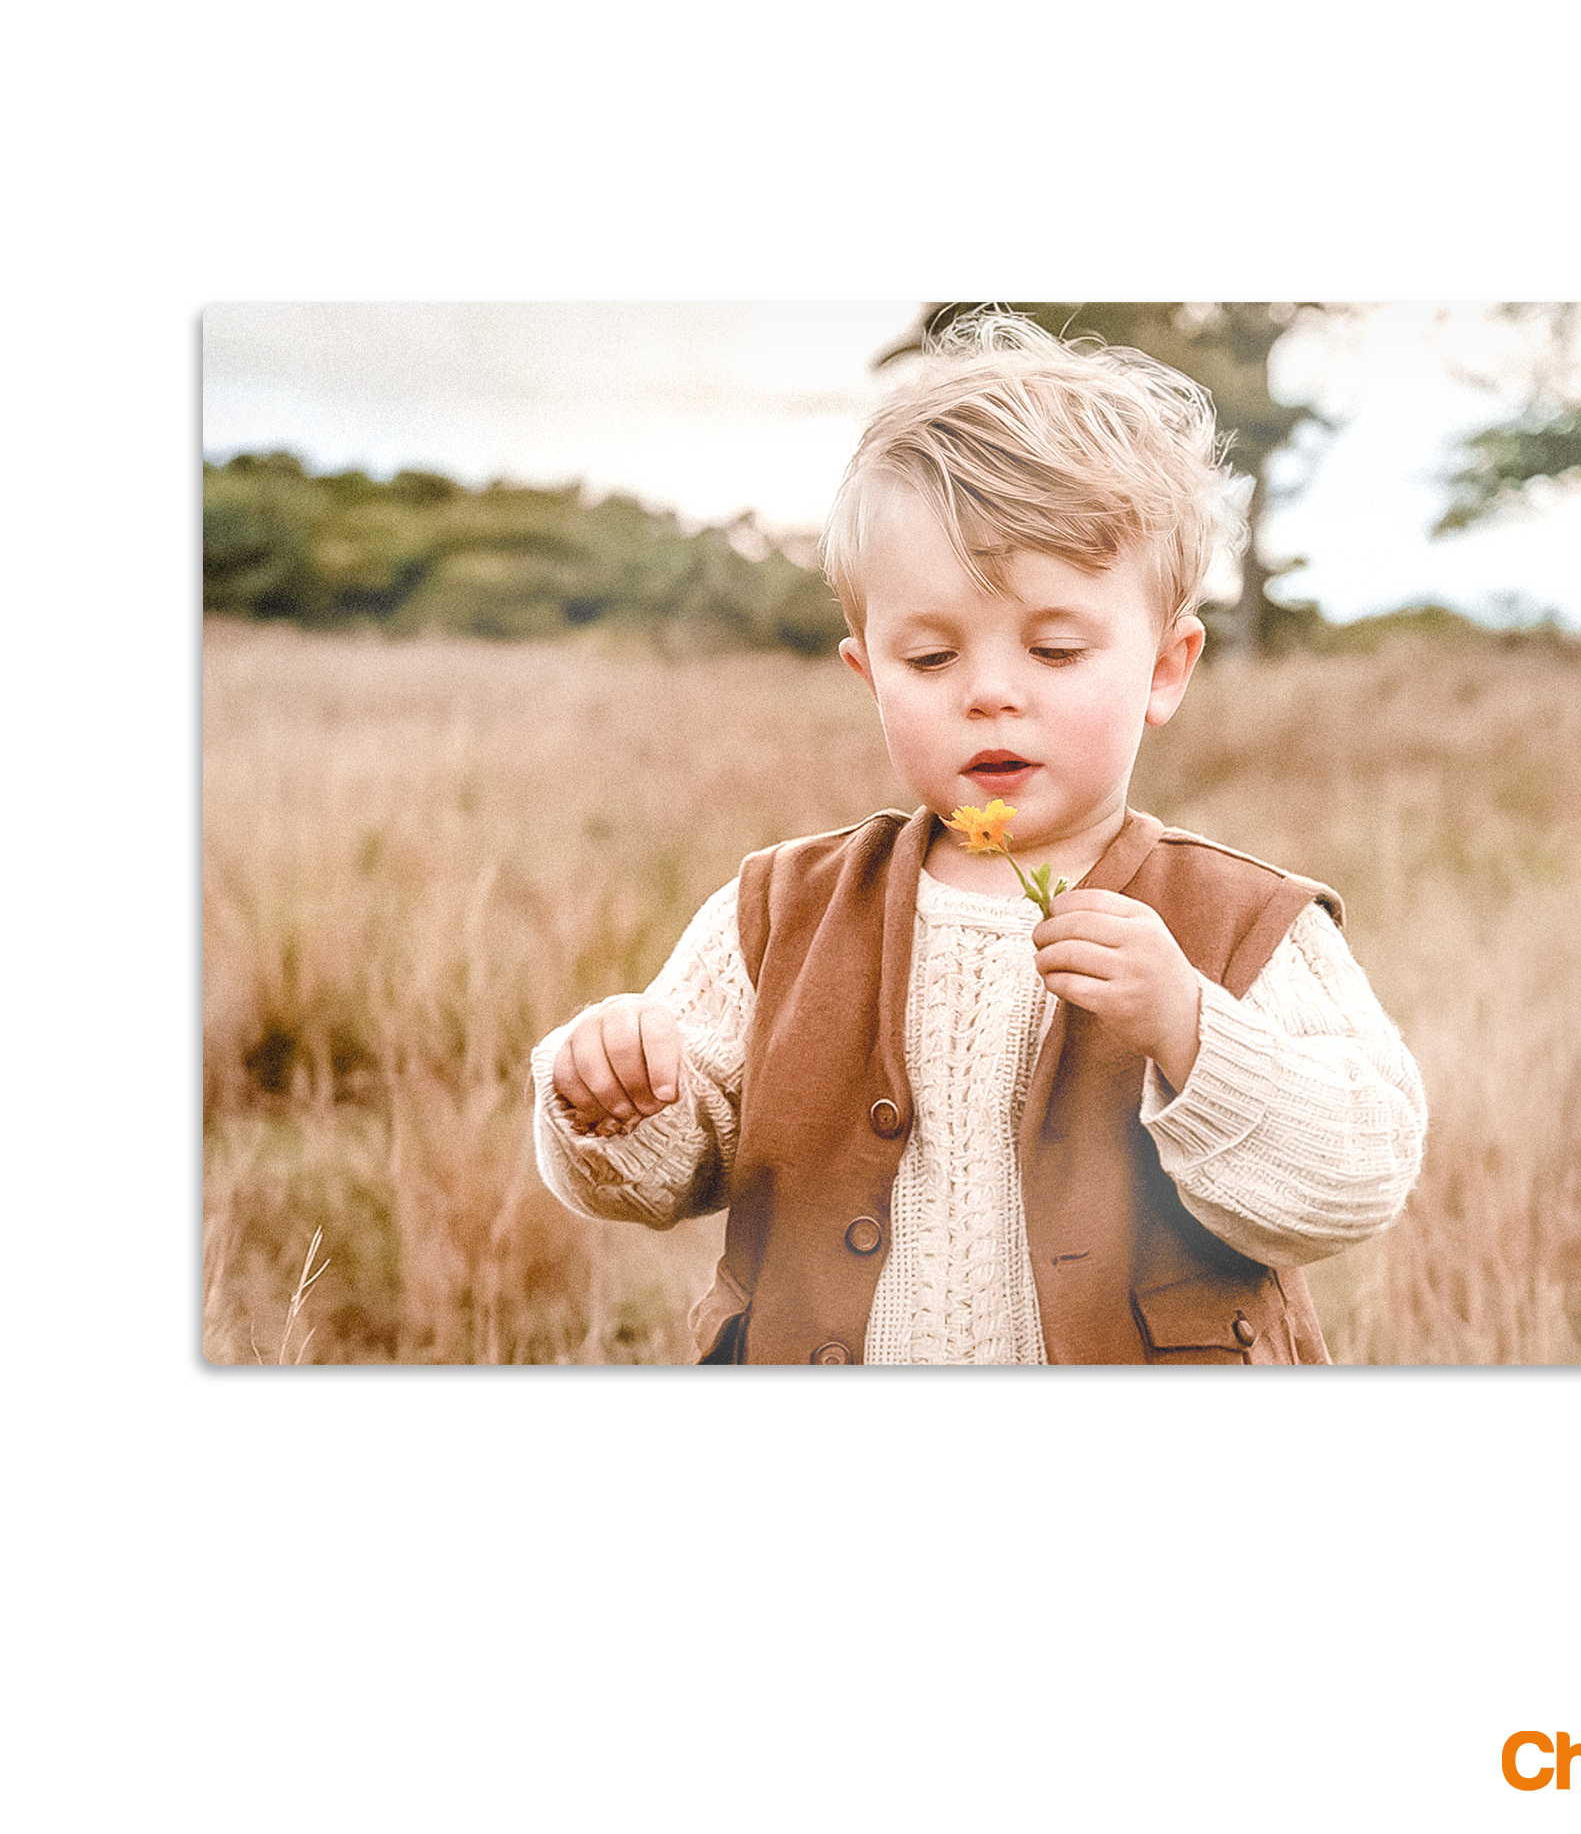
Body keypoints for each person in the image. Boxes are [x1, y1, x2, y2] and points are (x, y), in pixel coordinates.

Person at [530, 309, 1425, 1366]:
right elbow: (667, 1169)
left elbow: (1356, 1178)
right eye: (929, 658)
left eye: (1054, 649)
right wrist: (616, 1097)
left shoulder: (1244, 926)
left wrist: (1189, 1028)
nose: (990, 693)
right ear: (868, 673)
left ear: (1164, 668)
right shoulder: (779, 912)